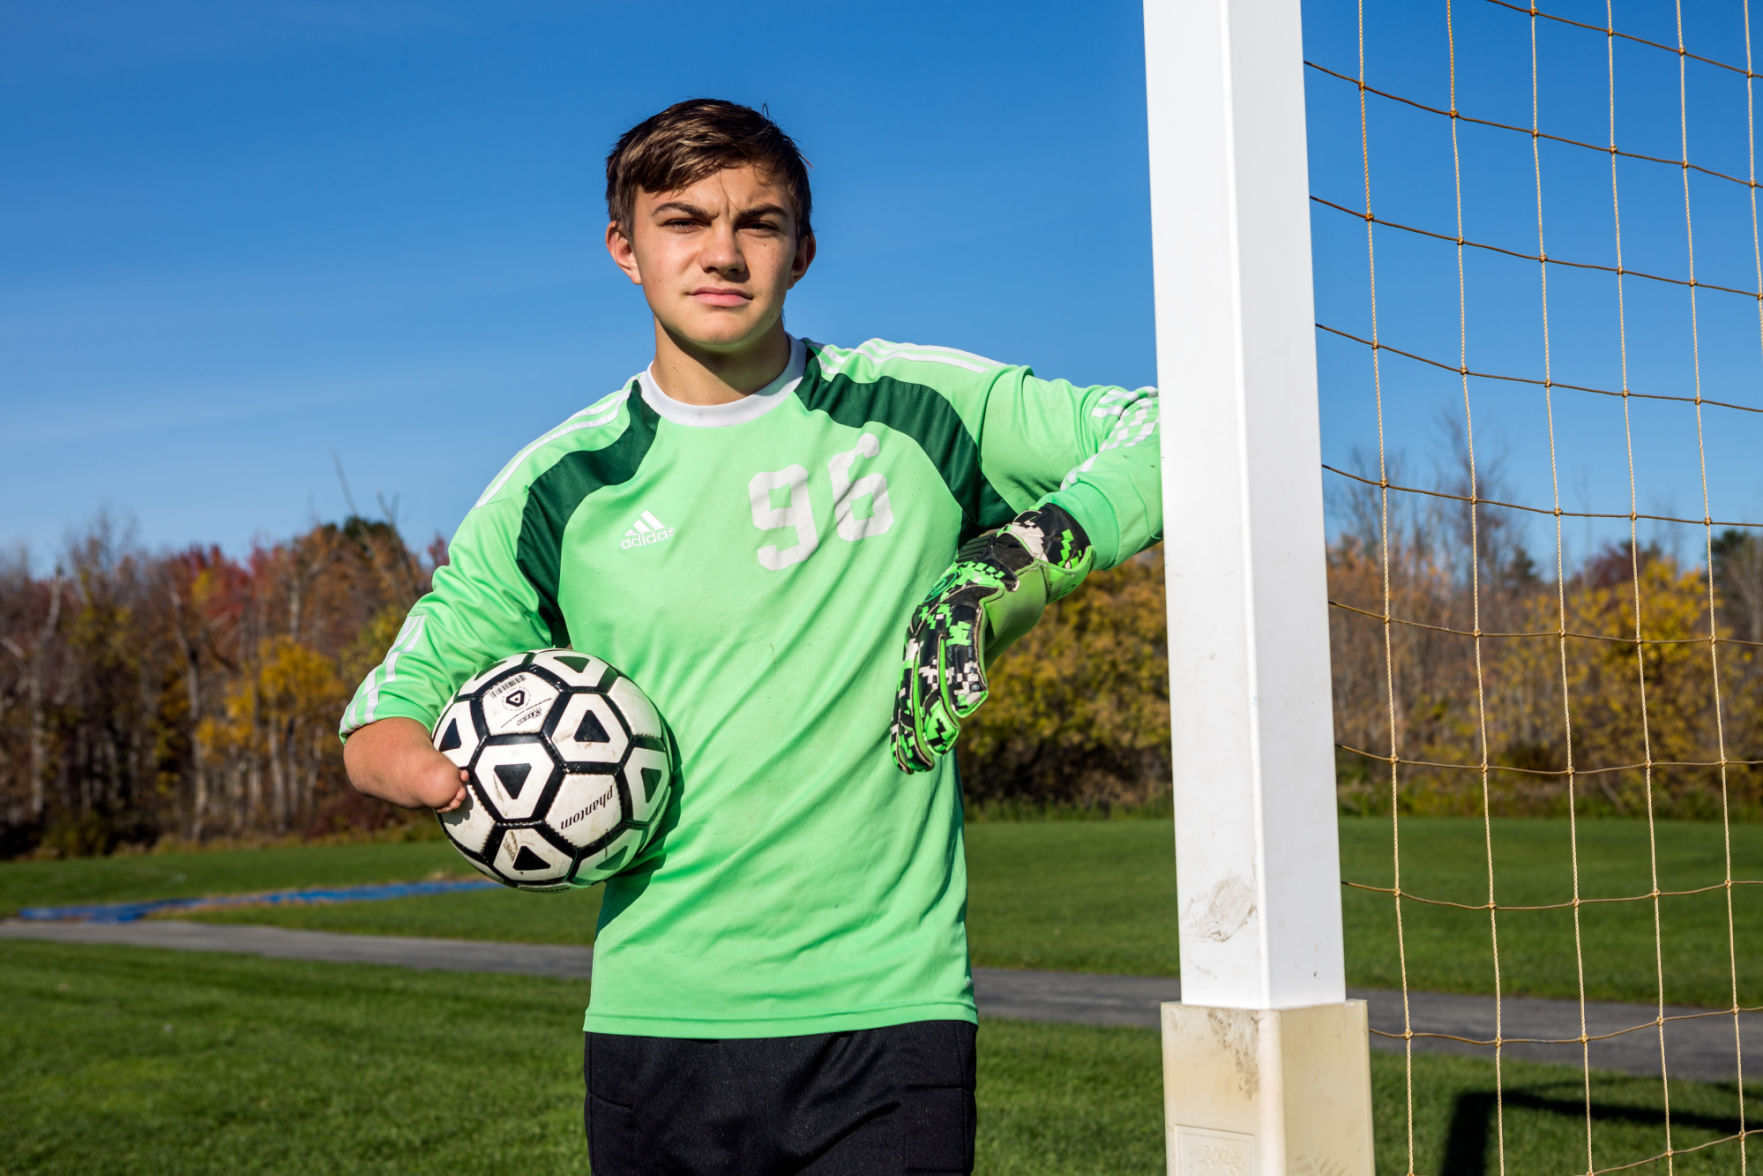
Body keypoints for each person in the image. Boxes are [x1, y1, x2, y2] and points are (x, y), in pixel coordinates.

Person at [339, 97, 1161, 1175]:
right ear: (623, 249)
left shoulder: (912, 407)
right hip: (654, 1021)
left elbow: (1165, 426)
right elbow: (381, 719)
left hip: (889, 1004)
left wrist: (1010, 565)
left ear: (802, 250)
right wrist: (443, 782)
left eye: (757, 224)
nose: (721, 253)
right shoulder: (561, 486)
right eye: (682, 221)